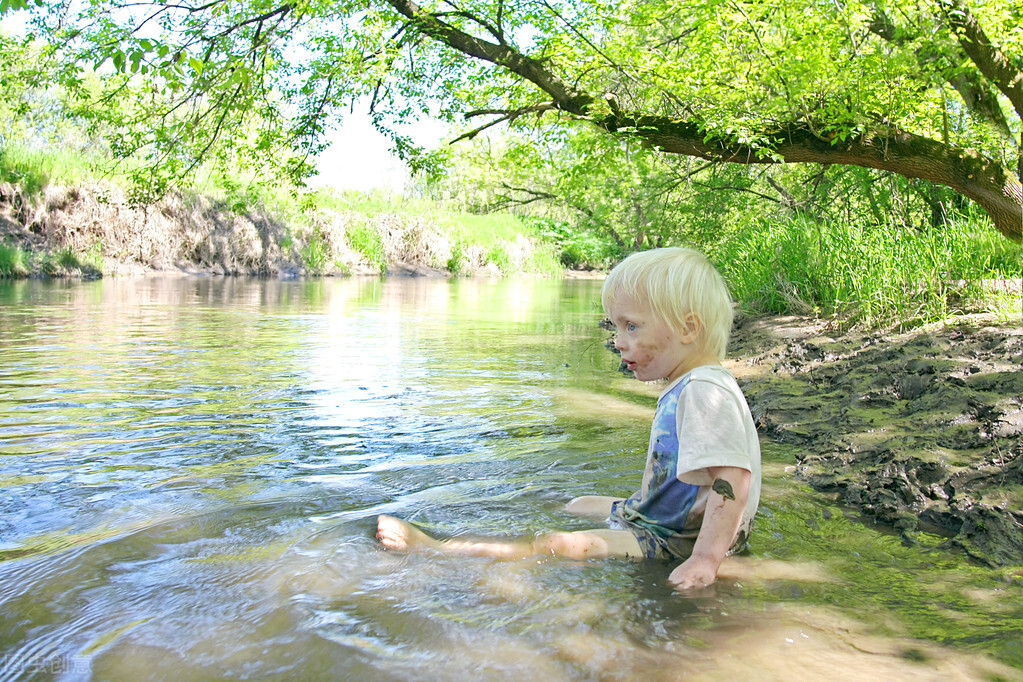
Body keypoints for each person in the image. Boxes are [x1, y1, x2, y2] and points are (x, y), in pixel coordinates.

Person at [377, 247, 761, 590]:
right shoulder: (691, 383)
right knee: (580, 503)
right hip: (661, 517)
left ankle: (437, 548)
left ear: (688, 328)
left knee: (554, 544)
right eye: (615, 326)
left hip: (675, 540)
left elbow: (733, 476)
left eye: (631, 326)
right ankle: (610, 514)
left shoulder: (703, 391)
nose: (618, 340)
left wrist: (705, 559)